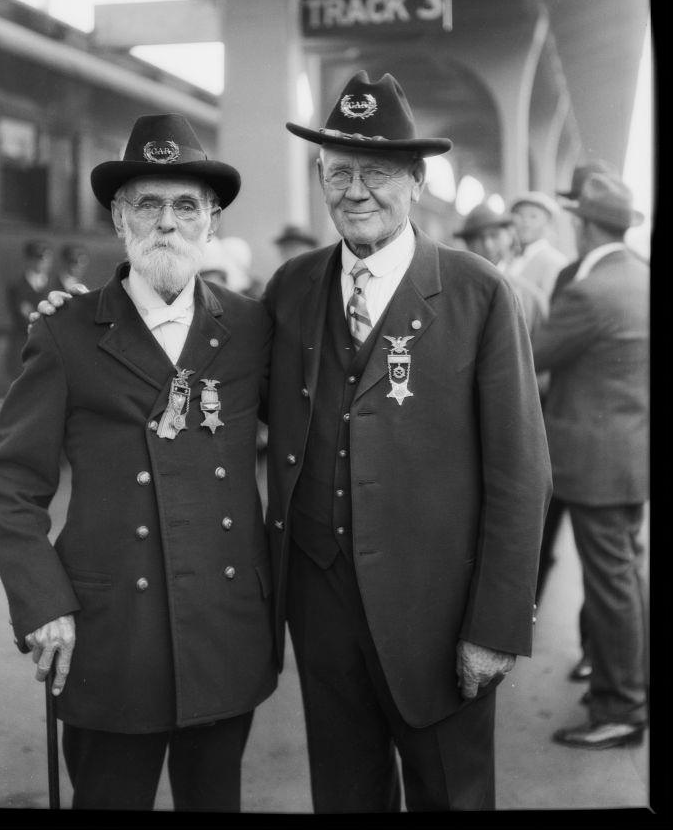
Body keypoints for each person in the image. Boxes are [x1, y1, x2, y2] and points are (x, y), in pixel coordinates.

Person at [263, 72, 552, 811]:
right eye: (340, 172)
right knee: (345, 797)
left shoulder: (479, 292)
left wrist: (496, 627)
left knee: (451, 796)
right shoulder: (291, 288)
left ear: (416, 181)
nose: (356, 190)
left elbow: (521, 473)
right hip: (322, 613)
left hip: (439, 617)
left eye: (379, 172)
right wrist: (85, 313)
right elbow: (209, 369)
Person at [0, 113, 277, 811]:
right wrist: (42, 604)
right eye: (147, 203)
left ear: (211, 220)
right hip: (111, 638)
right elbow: (10, 481)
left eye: (185, 206)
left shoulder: (253, 329)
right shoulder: (66, 331)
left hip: (223, 628)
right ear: (119, 219)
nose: (166, 223)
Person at [532, 172, 648, 750]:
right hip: (628, 455)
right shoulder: (639, 278)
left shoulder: (589, 290)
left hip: (595, 462)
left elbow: (534, 354)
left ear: (583, 226)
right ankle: (628, 687)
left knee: (610, 589)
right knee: (625, 578)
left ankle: (621, 708)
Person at [534, 158, 617, 672]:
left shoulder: (584, 280)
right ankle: (522, 618)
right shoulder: (573, 272)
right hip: (563, 432)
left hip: (574, 438)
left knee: (600, 565)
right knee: (540, 537)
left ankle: (597, 656)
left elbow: (545, 350)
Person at [454, 202, 547, 336]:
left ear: (509, 236)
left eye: (494, 235)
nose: (488, 245)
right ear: (468, 244)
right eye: (479, 238)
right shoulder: (456, 291)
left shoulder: (529, 296)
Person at [4, 240, 54, 380]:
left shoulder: (54, 284)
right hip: (23, 344)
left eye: (46, 259)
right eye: (38, 258)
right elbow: (23, 316)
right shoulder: (17, 286)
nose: (42, 263)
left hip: (49, 346)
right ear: (29, 259)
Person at [507, 190, 568, 306]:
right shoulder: (510, 259)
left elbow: (551, 305)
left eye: (533, 216)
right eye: (520, 215)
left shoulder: (554, 261)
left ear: (548, 223)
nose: (525, 222)